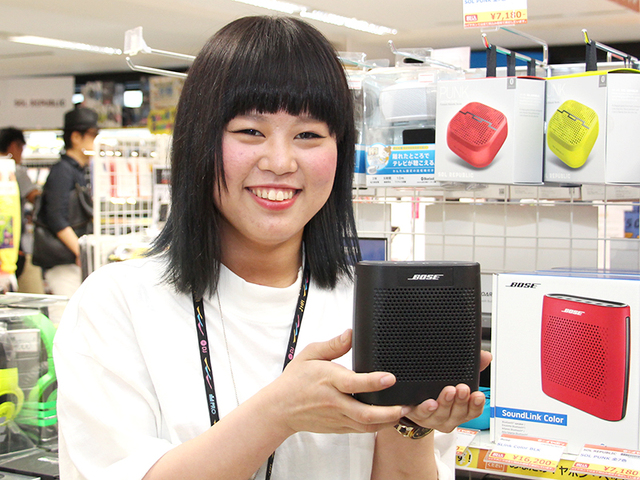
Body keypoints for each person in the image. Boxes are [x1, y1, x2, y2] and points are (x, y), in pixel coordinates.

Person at [53, 16, 490, 480]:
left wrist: (411, 424)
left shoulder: (374, 308)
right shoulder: (116, 303)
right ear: (198, 142)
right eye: (250, 131)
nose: (280, 162)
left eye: (308, 135)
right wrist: (278, 413)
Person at [37, 107, 97, 298]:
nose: (96, 141)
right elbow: (56, 218)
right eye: (92, 135)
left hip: (72, 261)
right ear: (76, 137)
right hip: (63, 263)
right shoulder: (62, 171)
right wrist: (80, 252)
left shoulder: (77, 170)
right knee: (65, 311)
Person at [0, 127, 41, 278]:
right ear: (13, 146)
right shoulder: (14, 171)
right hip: (14, 244)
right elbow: (34, 197)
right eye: (22, 148)